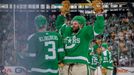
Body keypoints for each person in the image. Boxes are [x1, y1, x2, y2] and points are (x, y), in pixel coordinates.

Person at [55, 9, 104, 75]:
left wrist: (99, 14)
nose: (73, 25)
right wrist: (62, 14)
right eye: (72, 23)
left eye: (75, 23)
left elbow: (99, 28)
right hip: (66, 66)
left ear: (81, 25)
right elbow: (59, 26)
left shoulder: (85, 31)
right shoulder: (67, 30)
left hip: (80, 66)